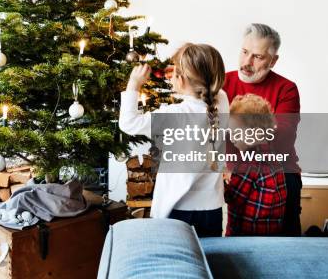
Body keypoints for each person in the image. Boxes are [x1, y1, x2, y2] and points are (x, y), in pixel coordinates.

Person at [119, 43, 229, 237]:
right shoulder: (221, 102)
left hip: (177, 209)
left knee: (176, 263)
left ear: (183, 79)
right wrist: (188, 73)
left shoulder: (174, 114)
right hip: (211, 208)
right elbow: (212, 88)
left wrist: (134, 83)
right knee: (209, 258)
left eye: (175, 72)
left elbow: (128, 123)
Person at [223, 23, 302, 236]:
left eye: (257, 57)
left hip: (281, 174)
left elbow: (283, 135)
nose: (247, 62)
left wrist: (231, 130)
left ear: (273, 61)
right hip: (236, 173)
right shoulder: (221, 83)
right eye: (245, 52)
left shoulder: (287, 89)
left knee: (286, 242)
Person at [224, 94, 287, 236]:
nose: (232, 137)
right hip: (271, 232)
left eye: (236, 132)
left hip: (245, 236)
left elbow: (231, 197)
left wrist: (221, 181)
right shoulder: (274, 158)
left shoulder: (248, 165)